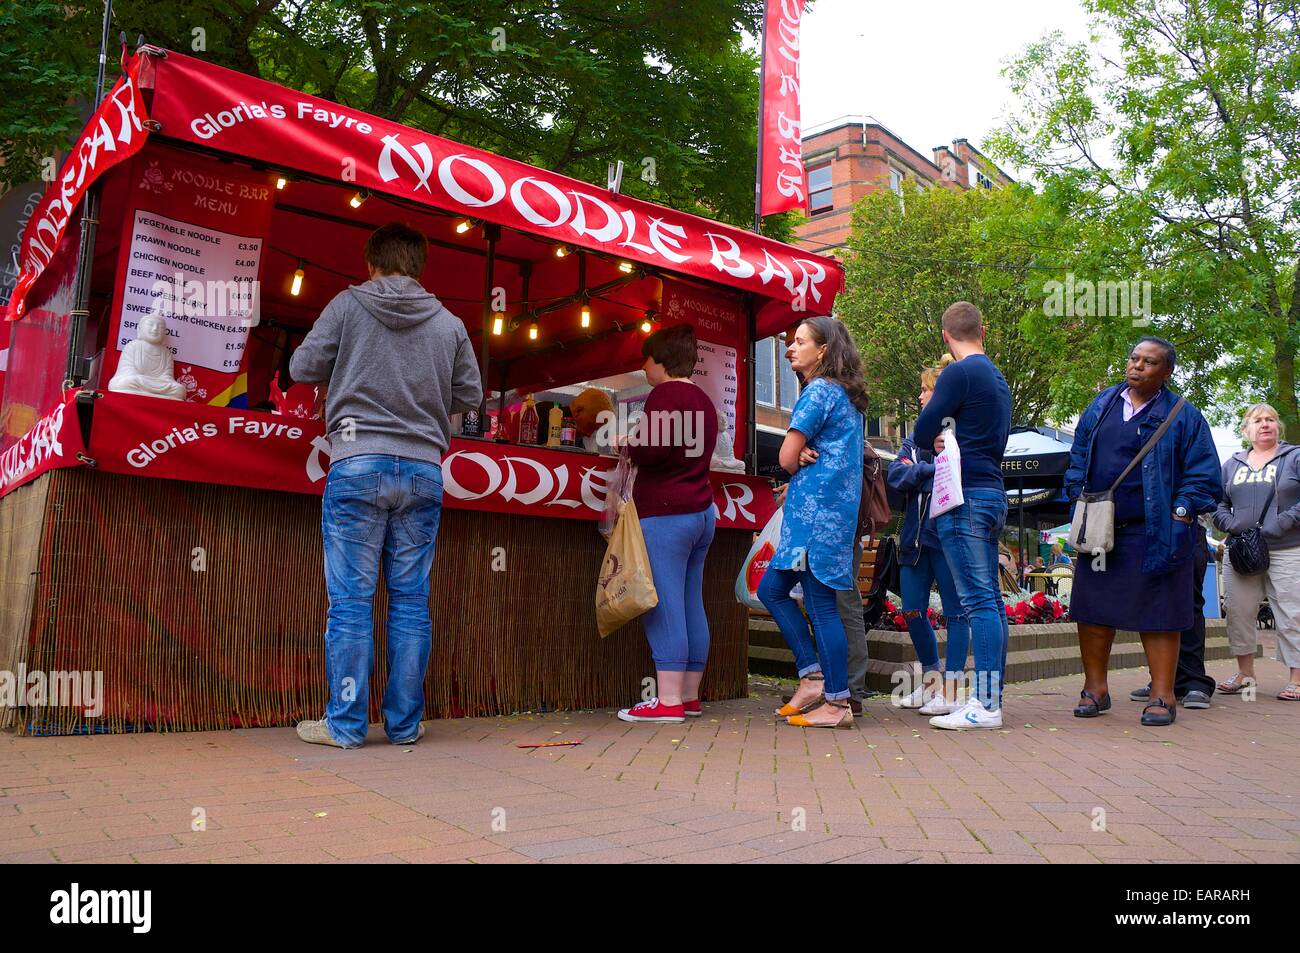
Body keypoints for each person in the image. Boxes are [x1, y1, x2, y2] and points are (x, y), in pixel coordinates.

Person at [290, 222, 483, 748]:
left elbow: (302, 365)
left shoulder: (347, 305)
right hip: (423, 469)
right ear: (419, 265)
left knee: (351, 602)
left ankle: (347, 726)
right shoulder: (449, 323)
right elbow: (470, 394)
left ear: (370, 263)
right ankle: (403, 725)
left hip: (357, 462)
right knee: (410, 600)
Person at [1064, 337, 1221, 726]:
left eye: (1149, 363)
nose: (1137, 366)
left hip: (1156, 532)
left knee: (1160, 612)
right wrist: (1075, 496)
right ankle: (1095, 690)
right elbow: (1079, 455)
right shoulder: (1101, 405)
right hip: (1100, 529)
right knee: (1093, 610)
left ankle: (1163, 695)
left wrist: (1180, 515)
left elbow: (1203, 475)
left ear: (1166, 372)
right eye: (1133, 358)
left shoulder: (1185, 416)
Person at [759, 316, 867, 729]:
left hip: (815, 519)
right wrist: (802, 455)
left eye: (799, 341)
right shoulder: (843, 395)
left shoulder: (818, 390)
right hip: (826, 515)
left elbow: (786, 458)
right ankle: (813, 677)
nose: (790, 348)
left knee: (821, 607)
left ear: (822, 350)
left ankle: (836, 703)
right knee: (773, 589)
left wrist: (797, 456)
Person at [911, 302, 1012, 730]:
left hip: (963, 496)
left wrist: (935, 436)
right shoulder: (998, 378)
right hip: (991, 492)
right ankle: (989, 698)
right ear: (983, 330)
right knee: (991, 600)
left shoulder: (958, 372)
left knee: (976, 601)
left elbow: (921, 431)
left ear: (945, 336)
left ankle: (986, 705)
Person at [616, 325, 719, 723]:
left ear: (660, 361)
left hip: (666, 513)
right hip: (701, 512)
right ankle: (689, 697)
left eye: (646, 359)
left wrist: (626, 442)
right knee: (691, 601)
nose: (643, 367)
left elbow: (652, 449)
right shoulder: (704, 401)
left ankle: (668, 702)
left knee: (663, 602)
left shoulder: (665, 396)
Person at [887, 357, 970, 716]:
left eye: (926, 390)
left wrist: (917, 471)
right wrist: (928, 468)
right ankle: (931, 681)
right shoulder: (915, 439)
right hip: (915, 537)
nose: (920, 396)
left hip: (947, 535)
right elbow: (894, 475)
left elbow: (957, 477)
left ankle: (951, 690)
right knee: (913, 609)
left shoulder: (960, 434)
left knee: (955, 614)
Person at [1211, 403, 1300, 700]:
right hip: (1242, 552)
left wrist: (1279, 524)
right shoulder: (1232, 465)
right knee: (1238, 612)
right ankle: (1245, 674)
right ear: (1245, 430)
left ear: (1278, 427)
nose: (1265, 424)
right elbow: (1217, 503)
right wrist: (1232, 525)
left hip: (1287, 549)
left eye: (1271, 419)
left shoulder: (1294, 457)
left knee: (1291, 614)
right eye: (1258, 420)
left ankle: (1296, 678)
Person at [571, 387, 615, 454]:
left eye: (595, 430)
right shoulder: (553, 421)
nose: (589, 434)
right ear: (578, 412)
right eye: (590, 426)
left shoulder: (578, 439)